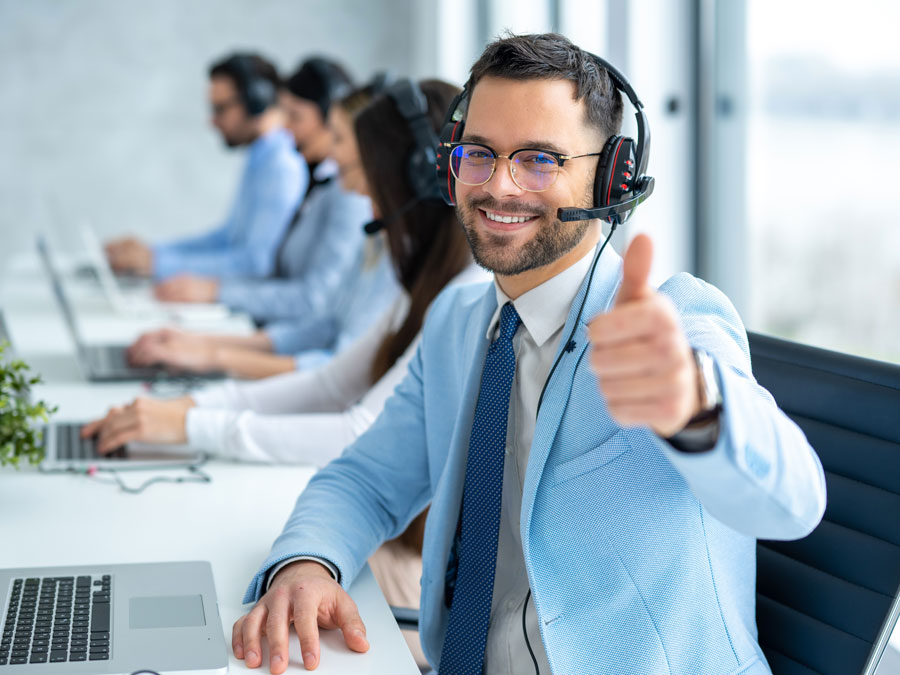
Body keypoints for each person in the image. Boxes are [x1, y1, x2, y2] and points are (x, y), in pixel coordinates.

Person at [229, 33, 827, 675]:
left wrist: (695, 411)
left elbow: (791, 503)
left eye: (540, 160)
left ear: (609, 174)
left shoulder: (673, 322)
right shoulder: (459, 323)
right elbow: (366, 479)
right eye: (478, 154)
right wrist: (306, 563)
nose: (500, 187)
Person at [81, 78, 478, 668]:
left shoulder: (463, 296)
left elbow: (354, 430)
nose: (347, 183)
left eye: (362, 168)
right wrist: (196, 407)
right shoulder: (422, 287)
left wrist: (195, 424)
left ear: (421, 178)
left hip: (405, 572)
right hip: (382, 551)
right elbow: (333, 388)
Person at [128, 66, 395, 377]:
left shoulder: (346, 199)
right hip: (285, 349)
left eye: (295, 117)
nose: (283, 128)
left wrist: (215, 353)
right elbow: (326, 325)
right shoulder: (331, 193)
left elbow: (314, 314)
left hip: (296, 363)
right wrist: (208, 346)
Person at [105, 52, 305, 281]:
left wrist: (158, 262)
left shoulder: (280, 167)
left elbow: (254, 263)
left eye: (220, 109)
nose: (212, 121)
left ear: (255, 102)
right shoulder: (260, 157)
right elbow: (226, 239)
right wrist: (153, 254)